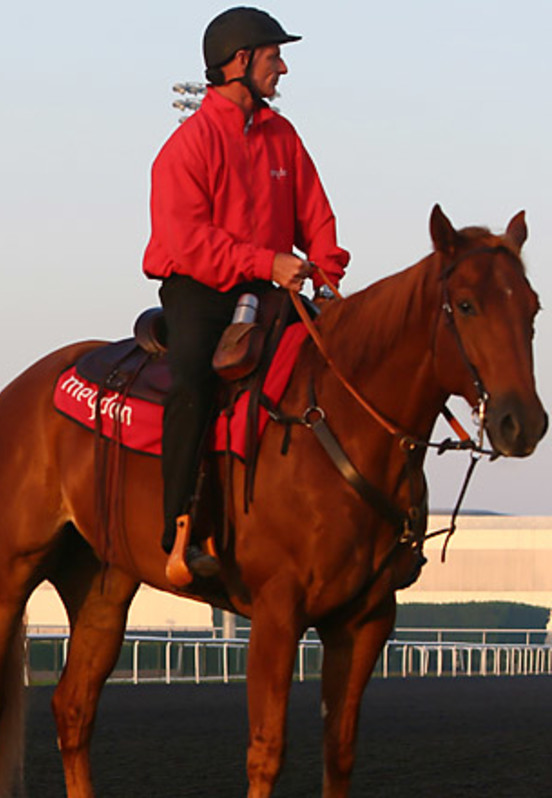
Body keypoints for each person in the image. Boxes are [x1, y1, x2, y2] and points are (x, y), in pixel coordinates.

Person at [143, 7, 350, 583]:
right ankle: (179, 531)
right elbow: (190, 243)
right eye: (273, 57)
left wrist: (327, 272)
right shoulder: (187, 147)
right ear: (240, 62)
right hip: (201, 288)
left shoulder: (284, 136)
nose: (282, 68)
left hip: (272, 286)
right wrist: (268, 262)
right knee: (193, 382)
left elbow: (317, 216)